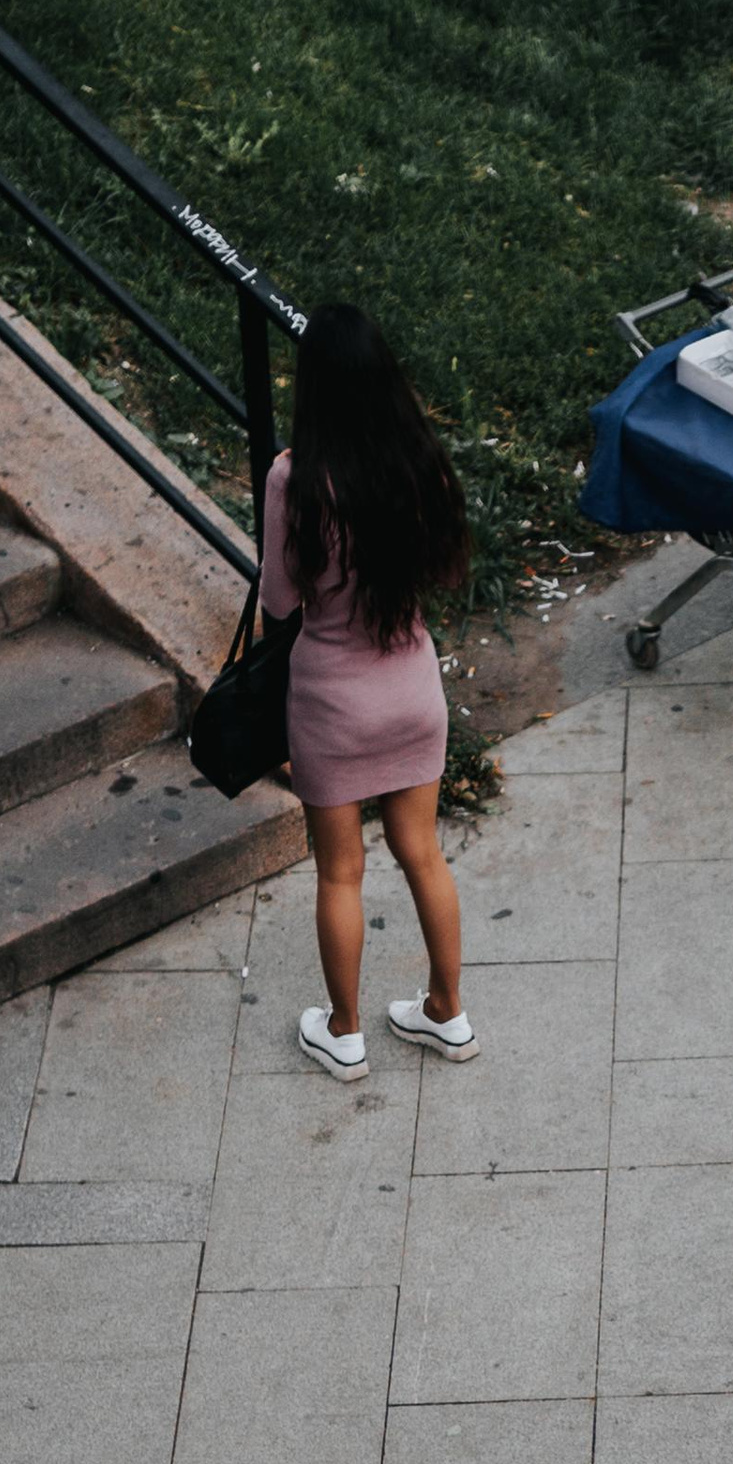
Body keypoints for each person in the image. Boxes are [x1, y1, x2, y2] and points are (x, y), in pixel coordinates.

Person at [259, 302, 476, 1081]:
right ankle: (447, 1012)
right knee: (424, 854)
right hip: (412, 692)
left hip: (331, 706)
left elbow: (281, 604)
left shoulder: (295, 476)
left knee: (340, 873)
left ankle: (344, 1031)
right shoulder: (416, 461)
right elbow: (448, 572)